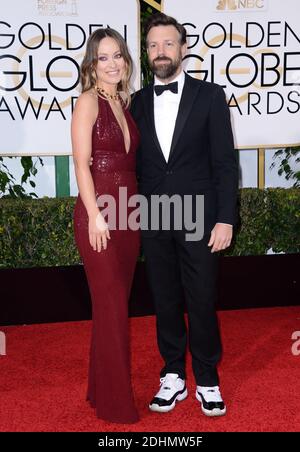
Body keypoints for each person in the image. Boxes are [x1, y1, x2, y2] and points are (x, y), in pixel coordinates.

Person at [130, 13, 239, 417]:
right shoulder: (136, 102)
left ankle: (207, 379)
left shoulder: (210, 95)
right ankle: (173, 374)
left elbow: (225, 164)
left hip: (200, 216)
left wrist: (225, 218)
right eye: (154, 45)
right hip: (155, 215)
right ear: (147, 52)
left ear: (183, 48)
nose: (161, 52)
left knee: (202, 297)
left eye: (168, 44)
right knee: (165, 298)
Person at [72, 28, 140, 423]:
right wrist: (96, 214)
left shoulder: (124, 102)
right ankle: (116, 406)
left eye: (118, 55)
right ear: (92, 64)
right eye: (103, 57)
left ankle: (100, 389)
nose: (113, 63)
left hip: (128, 215)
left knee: (112, 307)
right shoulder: (87, 101)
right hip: (99, 215)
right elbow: (81, 162)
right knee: (113, 306)